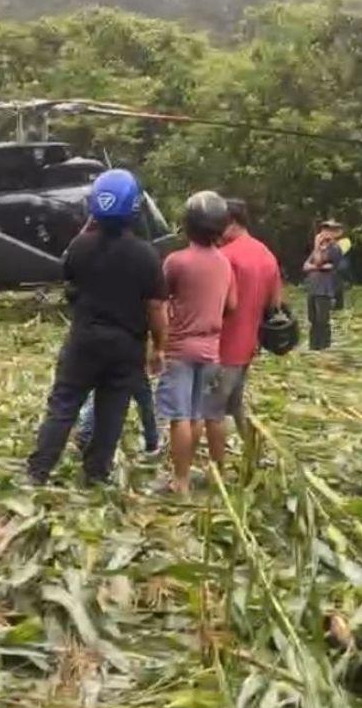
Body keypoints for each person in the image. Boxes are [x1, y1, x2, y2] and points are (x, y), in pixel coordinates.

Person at [25, 170, 167, 486]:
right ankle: (96, 473)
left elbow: (69, 276)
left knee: (63, 406)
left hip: (84, 340)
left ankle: (38, 471)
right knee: (111, 413)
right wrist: (159, 347)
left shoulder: (80, 248)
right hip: (126, 346)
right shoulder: (147, 256)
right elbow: (156, 308)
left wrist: (89, 226)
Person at [156, 191, 236, 493]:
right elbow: (231, 305)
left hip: (180, 348)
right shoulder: (225, 264)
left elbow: (159, 302)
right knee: (199, 413)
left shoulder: (176, 261)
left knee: (180, 418)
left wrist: (157, 345)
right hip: (211, 348)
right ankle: (201, 473)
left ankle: (181, 480)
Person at [203, 198, 281, 465]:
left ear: (232, 223)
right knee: (234, 404)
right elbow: (275, 305)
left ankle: (218, 469)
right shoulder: (267, 255)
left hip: (224, 345)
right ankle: (253, 455)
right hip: (249, 345)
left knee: (212, 411)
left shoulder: (225, 257)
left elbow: (215, 303)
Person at [303, 221, 343, 350]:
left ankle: (324, 346)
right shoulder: (320, 248)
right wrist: (317, 266)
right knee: (312, 319)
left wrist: (316, 247)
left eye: (329, 230)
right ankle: (313, 346)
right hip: (313, 287)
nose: (325, 232)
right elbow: (305, 266)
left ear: (335, 233)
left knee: (322, 320)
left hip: (324, 289)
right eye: (324, 229)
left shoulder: (334, 249)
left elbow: (319, 261)